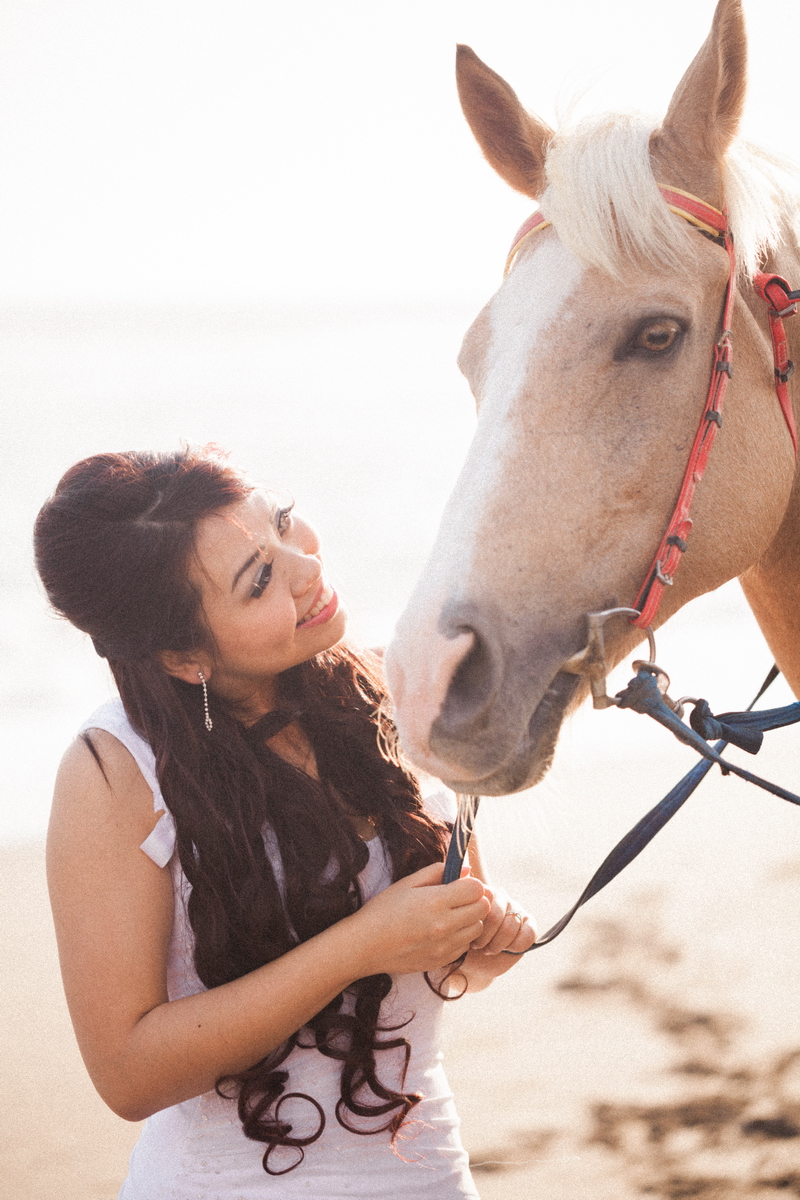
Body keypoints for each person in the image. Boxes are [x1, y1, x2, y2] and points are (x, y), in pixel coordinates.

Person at [34, 445, 536, 1199]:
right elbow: (128, 1075)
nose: (306, 567)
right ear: (184, 655)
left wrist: (483, 941)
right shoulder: (116, 769)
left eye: (283, 521)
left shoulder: (384, 690)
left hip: (428, 1174)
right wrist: (359, 947)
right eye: (260, 581)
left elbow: (445, 967)